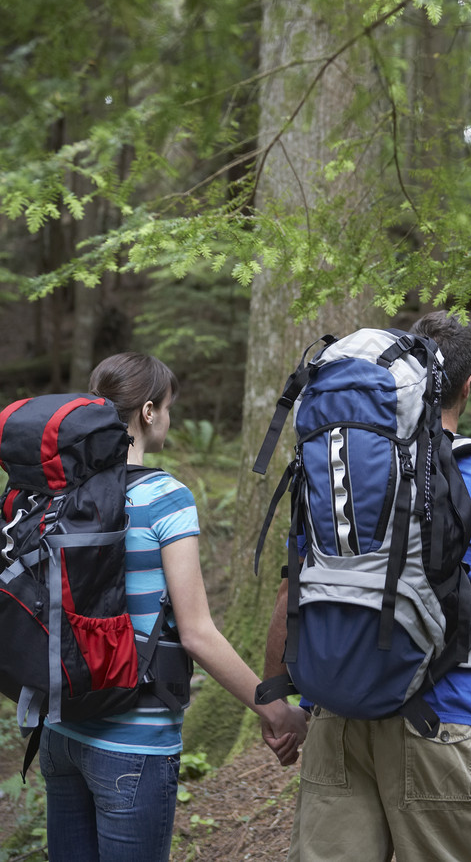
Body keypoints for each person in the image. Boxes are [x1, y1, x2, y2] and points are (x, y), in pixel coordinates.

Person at [263, 311, 471, 862]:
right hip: (437, 724)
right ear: (468, 385)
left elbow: (291, 594)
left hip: (337, 722)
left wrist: (277, 696)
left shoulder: (335, 467)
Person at [39, 352, 307, 862]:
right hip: (134, 745)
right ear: (146, 412)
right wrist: (274, 708)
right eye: (166, 407)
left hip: (60, 730)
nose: (169, 418)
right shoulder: (166, 496)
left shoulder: (60, 494)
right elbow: (197, 633)